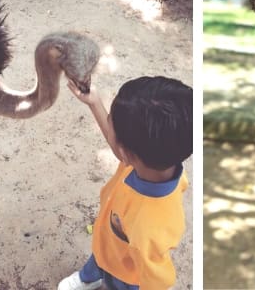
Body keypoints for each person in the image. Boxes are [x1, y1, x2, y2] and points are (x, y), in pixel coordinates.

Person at [58, 76, 193, 290]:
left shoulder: (149, 228)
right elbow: (119, 147)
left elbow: (158, 281)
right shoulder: (157, 162)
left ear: (127, 153)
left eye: (110, 121)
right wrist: (94, 102)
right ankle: (90, 276)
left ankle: (102, 278)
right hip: (108, 242)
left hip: (125, 274)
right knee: (100, 255)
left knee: (114, 277)